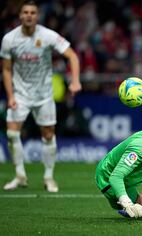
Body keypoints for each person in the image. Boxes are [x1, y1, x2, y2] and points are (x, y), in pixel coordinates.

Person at [0, 0, 82, 192]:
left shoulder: (47, 35)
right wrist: (10, 95)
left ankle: (48, 177)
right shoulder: (9, 39)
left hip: (44, 95)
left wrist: (76, 80)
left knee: (48, 135)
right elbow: (5, 69)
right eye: (25, 12)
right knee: (12, 133)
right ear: (20, 15)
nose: (29, 15)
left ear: (37, 16)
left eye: (33, 12)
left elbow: (72, 55)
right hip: (20, 93)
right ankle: (20, 175)